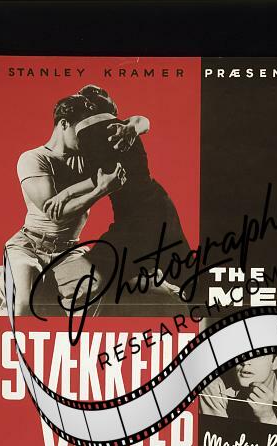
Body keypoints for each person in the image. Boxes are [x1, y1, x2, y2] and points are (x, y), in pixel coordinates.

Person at [41, 84, 193, 307]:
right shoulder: (119, 125)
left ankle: (154, 283)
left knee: (78, 278)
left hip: (142, 216)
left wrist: (65, 193)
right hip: (152, 208)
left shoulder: (95, 128)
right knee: (174, 274)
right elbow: (108, 172)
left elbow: (105, 175)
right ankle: (153, 281)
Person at [0, 94, 130, 315]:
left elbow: (137, 126)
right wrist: (100, 191)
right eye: (82, 130)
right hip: (29, 246)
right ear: (64, 124)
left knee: (94, 290)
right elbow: (55, 214)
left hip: (69, 250)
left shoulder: (87, 158)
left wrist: (129, 128)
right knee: (22, 303)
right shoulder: (34, 158)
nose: (88, 137)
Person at [199, 355, 277, 429]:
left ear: (275, 362)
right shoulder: (214, 384)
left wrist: (267, 417)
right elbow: (216, 444)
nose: (245, 361)